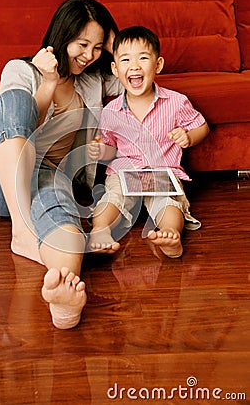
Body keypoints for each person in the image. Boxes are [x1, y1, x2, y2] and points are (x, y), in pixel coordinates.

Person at [0, 0, 123, 329]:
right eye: (82, 44)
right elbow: (10, 125)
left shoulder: (94, 79)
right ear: (62, 35)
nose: (89, 55)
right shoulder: (21, 69)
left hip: (48, 175)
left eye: (98, 47)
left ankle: (64, 298)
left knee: (68, 227)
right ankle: (23, 228)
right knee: (14, 100)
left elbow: (134, 71)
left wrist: (114, 41)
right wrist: (47, 83)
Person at [87, 25, 209, 259]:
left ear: (158, 64)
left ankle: (171, 235)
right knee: (112, 197)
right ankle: (100, 231)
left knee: (169, 202)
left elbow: (201, 126)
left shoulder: (176, 102)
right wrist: (100, 151)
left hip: (162, 170)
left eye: (143, 58)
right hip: (125, 172)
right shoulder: (111, 110)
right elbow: (110, 149)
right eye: (125, 60)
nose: (134, 66)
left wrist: (189, 137)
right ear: (114, 68)